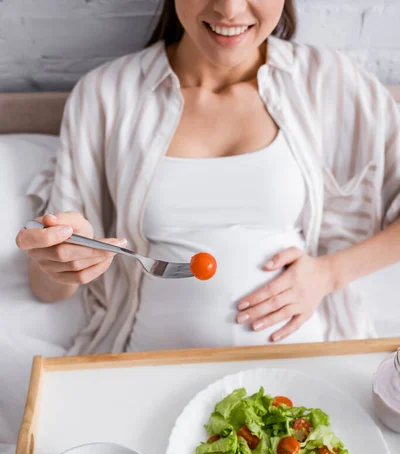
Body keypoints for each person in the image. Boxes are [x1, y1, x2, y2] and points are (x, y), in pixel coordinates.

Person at [16, 0, 400, 356]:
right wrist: (62, 259)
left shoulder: (330, 82)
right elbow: (48, 289)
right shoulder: (106, 95)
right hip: (148, 371)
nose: (229, 10)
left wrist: (329, 274)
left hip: (300, 379)